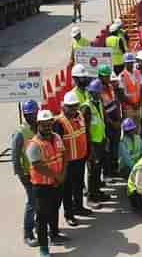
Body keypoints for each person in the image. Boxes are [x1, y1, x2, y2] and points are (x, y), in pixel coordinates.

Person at [27, 110, 69, 257]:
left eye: (49, 123)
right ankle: (44, 248)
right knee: (42, 218)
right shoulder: (34, 144)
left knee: (54, 211)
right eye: (44, 125)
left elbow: (64, 155)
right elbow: (38, 166)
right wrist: (56, 176)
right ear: (38, 125)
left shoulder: (56, 137)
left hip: (57, 184)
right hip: (42, 187)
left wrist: (63, 174)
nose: (47, 127)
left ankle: (55, 235)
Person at [54, 92, 89, 226]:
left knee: (79, 185)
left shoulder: (79, 116)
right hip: (67, 162)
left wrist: (87, 152)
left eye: (75, 106)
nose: (73, 109)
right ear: (64, 107)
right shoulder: (59, 122)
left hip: (80, 158)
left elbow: (84, 134)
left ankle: (79, 207)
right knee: (67, 190)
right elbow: (57, 145)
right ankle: (69, 215)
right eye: (70, 107)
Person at [11, 100, 39, 247]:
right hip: (27, 174)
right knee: (32, 202)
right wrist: (21, 174)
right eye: (29, 114)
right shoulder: (20, 133)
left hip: (39, 171)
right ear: (25, 115)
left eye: (34, 113)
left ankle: (36, 224)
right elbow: (15, 157)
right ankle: (28, 233)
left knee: (39, 201)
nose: (32, 116)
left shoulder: (39, 127)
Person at [81, 80, 109, 207]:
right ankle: (91, 198)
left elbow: (101, 122)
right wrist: (90, 148)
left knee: (98, 170)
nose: (96, 94)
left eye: (98, 92)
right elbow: (85, 129)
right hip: (93, 144)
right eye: (94, 92)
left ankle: (97, 192)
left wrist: (105, 138)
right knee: (92, 171)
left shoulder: (99, 103)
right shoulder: (86, 107)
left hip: (101, 141)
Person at [98, 64, 122, 176]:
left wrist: (119, 119)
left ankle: (114, 168)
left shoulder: (111, 87)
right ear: (100, 77)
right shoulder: (98, 91)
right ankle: (107, 171)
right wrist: (113, 123)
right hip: (108, 123)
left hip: (115, 119)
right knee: (107, 148)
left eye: (108, 76)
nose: (108, 78)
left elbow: (116, 102)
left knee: (115, 146)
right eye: (105, 76)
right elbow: (102, 111)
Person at [120, 52, 142, 130]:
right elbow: (122, 94)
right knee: (129, 129)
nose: (130, 64)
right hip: (128, 108)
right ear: (125, 63)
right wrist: (133, 104)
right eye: (128, 63)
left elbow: (140, 89)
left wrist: (139, 103)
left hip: (138, 106)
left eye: (131, 62)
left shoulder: (137, 73)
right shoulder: (122, 76)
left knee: (138, 128)